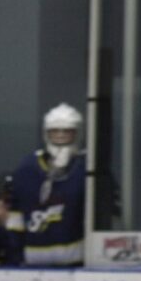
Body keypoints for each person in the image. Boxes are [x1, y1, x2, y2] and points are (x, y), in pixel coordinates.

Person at [10, 103, 88, 268]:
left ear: (78, 133)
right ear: (46, 133)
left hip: (76, 265)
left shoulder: (87, 168)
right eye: (55, 131)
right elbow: (16, 218)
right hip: (32, 265)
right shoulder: (27, 169)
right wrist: (15, 258)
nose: (60, 136)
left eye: (67, 131)